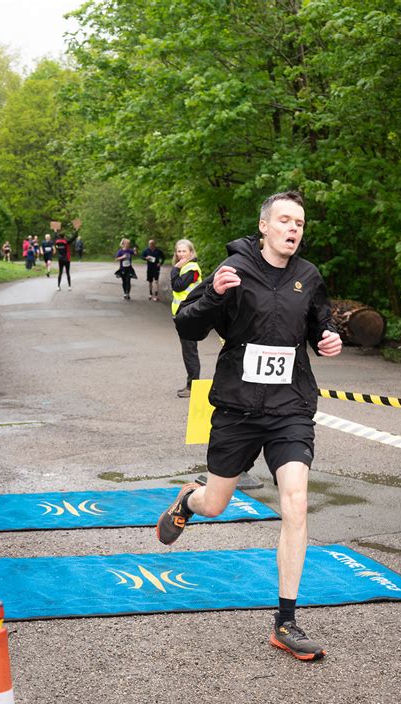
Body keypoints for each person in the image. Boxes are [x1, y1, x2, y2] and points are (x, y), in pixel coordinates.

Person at [157, 191, 342, 661]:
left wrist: (329, 339)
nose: (293, 228)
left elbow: (319, 327)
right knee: (216, 503)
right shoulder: (232, 270)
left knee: (295, 501)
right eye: (284, 220)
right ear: (264, 227)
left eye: (299, 222)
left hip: (289, 408)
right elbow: (188, 326)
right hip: (238, 409)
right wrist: (214, 295)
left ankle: (286, 622)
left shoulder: (309, 276)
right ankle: (189, 498)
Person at [170, 239, 202, 398]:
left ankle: (193, 386)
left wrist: (175, 269)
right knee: (188, 350)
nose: (181, 254)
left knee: (190, 351)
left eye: (184, 251)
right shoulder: (185, 267)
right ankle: (191, 383)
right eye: (179, 251)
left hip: (189, 314)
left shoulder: (191, 268)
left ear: (191, 252)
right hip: (183, 314)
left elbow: (177, 286)